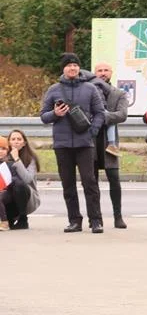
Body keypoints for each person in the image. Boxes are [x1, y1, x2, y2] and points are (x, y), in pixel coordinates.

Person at [40, 52, 106, 233]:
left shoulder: (90, 88)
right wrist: (56, 114)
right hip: (62, 145)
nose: (72, 68)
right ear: (63, 68)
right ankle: (74, 220)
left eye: (75, 65)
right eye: (69, 65)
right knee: (68, 184)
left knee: (89, 182)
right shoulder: (54, 90)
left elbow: (100, 113)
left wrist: (92, 131)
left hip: (84, 144)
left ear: (79, 68)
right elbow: (43, 116)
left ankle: (96, 220)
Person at [87, 62, 129, 229]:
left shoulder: (119, 93)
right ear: (94, 73)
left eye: (106, 70)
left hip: (110, 143)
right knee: (91, 181)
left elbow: (122, 114)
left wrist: (102, 116)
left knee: (114, 179)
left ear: (111, 73)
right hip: (91, 140)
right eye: (99, 70)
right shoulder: (87, 91)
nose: (103, 73)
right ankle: (95, 218)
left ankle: (118, 216)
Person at [3, 130, 40, 230]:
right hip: (8, 196)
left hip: (26, 196)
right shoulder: (4, 156)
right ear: (9, 142)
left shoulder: (30, 158)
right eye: (13, 139)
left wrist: (17, 159)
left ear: (24, 143)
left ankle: (23, 219)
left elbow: (27, 179)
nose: (16, 142)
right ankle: (8, 218)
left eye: (19, 139)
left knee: (18, 184)